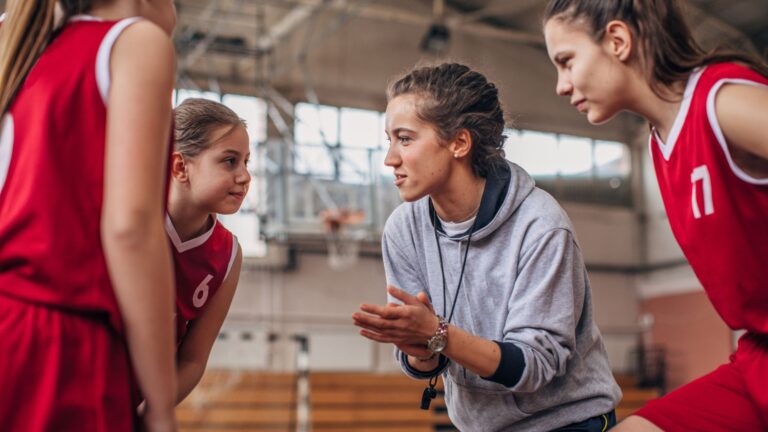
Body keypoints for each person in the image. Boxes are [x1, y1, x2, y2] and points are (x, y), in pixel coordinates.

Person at [353, 63, 621, 432]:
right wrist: (420, 347)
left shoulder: (541, 225)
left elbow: (535, 365)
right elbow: (427, 360)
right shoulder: (404, 228)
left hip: (566, 422)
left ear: (459, 143)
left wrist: (438, 334)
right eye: (389, 140)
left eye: (406, 139)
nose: (390, 159)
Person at [542, 1, 768, 430]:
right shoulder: (661, 142)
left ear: (617, 40)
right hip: (757, 357)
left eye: (566, 61)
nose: (560, 85)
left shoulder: (721, 102)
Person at [0, 0, 178, 431]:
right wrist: (160, 405)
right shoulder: (133, 43)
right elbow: (130, 229)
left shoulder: (15, 39)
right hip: (52, 340)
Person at [167, 98, 249, 403]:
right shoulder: (132, 221)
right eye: (230, 161)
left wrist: (152, 410)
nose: (245, 176)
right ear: (180, 167)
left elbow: (192, 360)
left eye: (247, 162)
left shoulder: (228, 255)